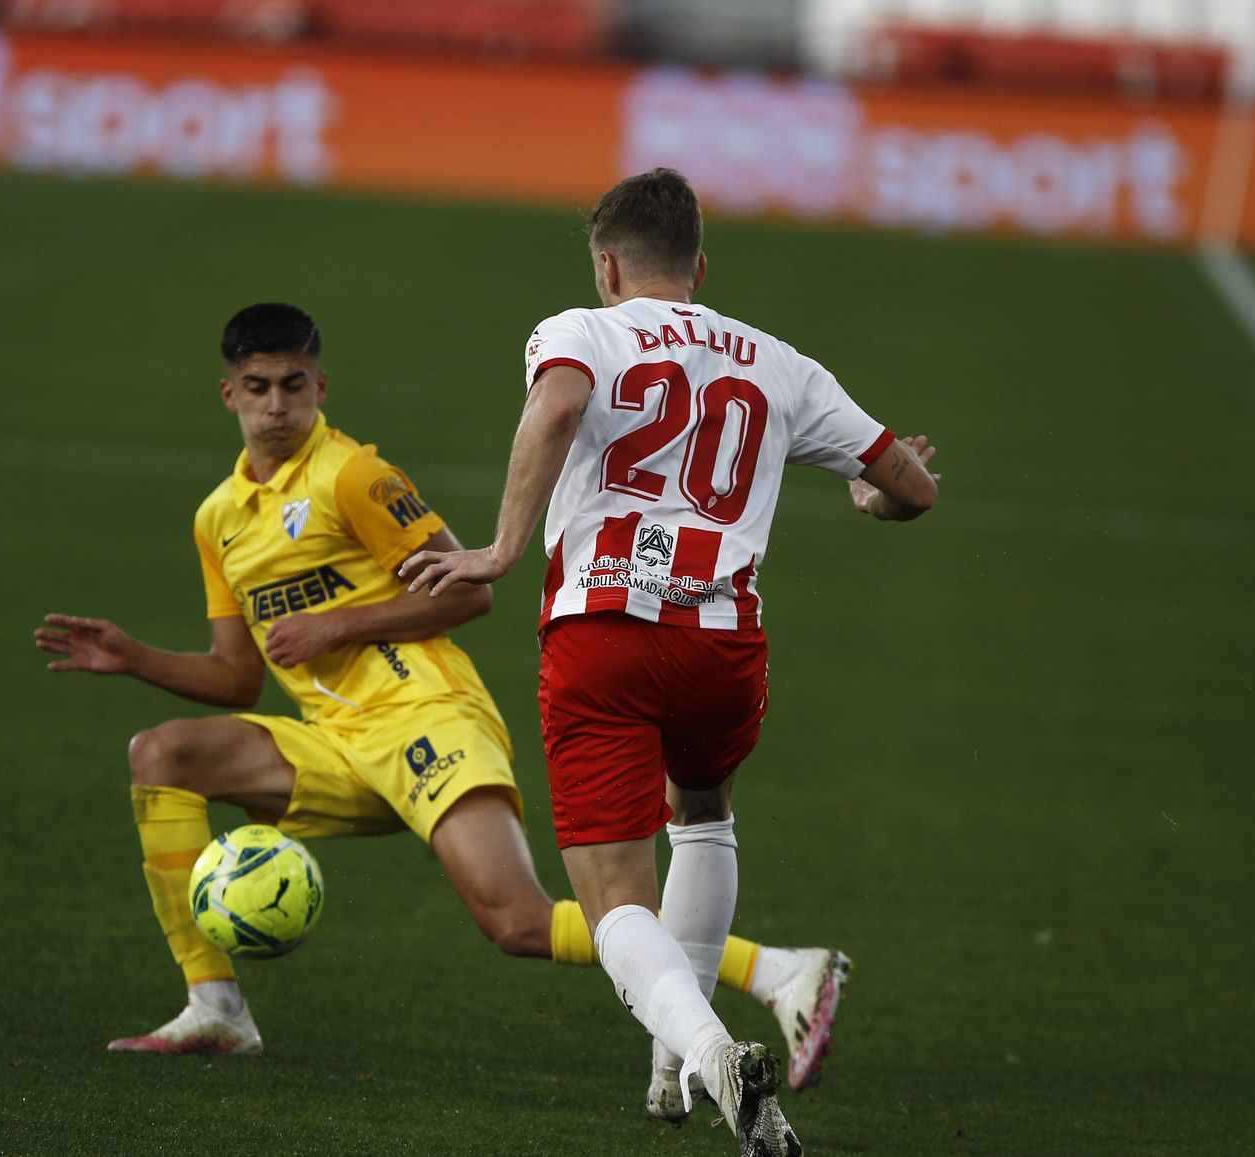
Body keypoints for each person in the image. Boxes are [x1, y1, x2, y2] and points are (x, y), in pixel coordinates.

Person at [33, 302, 842, 1061]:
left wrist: (338, 623)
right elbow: (240, 676)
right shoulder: (220, 517)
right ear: (228, 393)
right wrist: (134, 656)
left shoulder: (352, 476)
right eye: (257, 388)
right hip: (336, 743)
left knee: (518, 922)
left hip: (430, 720)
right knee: (161, 754)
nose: (276, 405)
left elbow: (470, 587)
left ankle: (775, 969)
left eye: (292, 385)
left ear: (320, 386)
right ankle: (216, 1007)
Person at [402, 169, 940, 1156]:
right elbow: (906, 482)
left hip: (602, 631)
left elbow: (560, 404)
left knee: (610, 894)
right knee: (701, 804)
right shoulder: (781, 362)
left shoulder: (580, 330)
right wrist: (872, 502)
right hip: (723, 641)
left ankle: (704, 1044)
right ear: (700, 265)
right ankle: (669, 1066)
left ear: (607, 264)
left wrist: (499, 546)